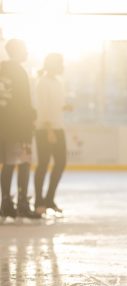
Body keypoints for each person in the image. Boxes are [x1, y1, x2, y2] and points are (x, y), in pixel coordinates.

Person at [0, 39, 39, 221]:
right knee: (24, 163)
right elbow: (24, 102)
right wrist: (30, 119)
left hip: (4, 126)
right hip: (20, 126)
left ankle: (6, 202)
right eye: (24, 49)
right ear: (16, 51)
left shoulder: (2, 69)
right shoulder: (20, 72)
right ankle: (22, 203)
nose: (27, 53)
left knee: (7, 164)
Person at [34, 53, 71, 216]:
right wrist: (48, 130)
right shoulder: (42, 82)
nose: (62, 65)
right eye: (60, 63)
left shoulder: (58, 82)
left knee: (60, 163)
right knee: (43, 164)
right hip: (45, 129)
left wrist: (65, 107)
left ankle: (49, 199)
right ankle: (38, 201)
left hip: (58, 127)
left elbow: (56, 104)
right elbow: (42, 108)